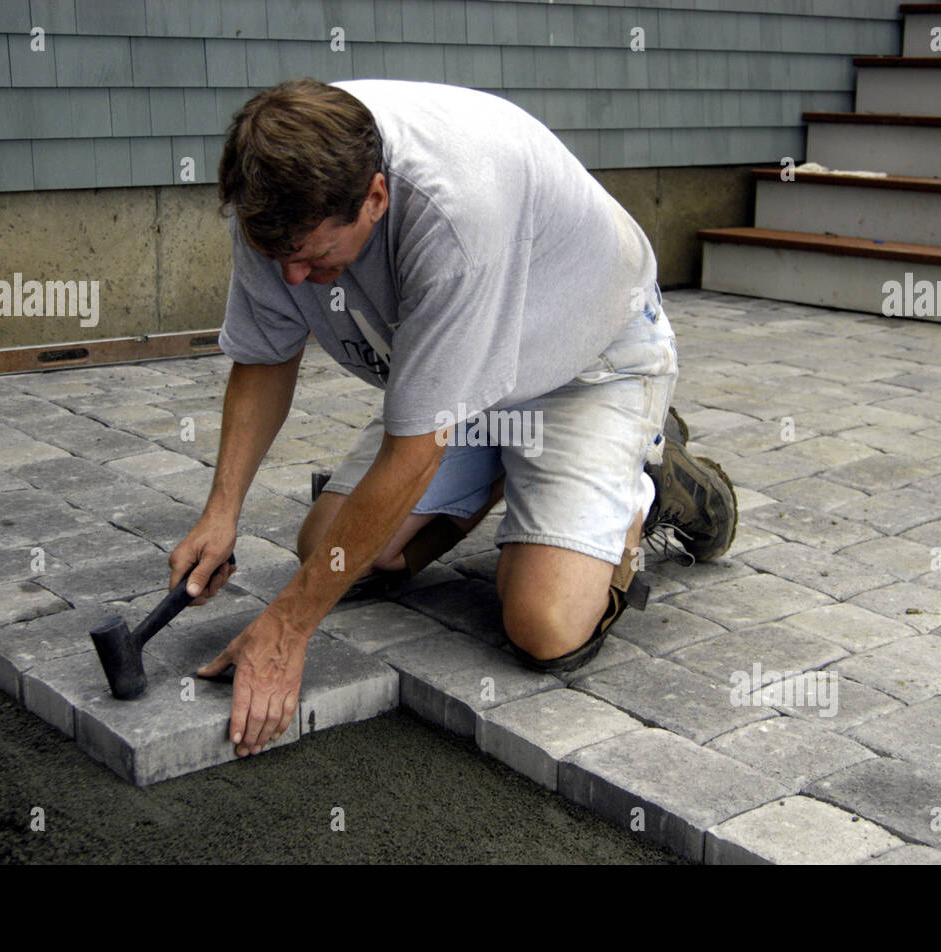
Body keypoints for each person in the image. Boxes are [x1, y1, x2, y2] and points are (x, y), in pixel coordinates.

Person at [168, 78, 737, 758]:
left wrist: (288, 628)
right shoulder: (275, 194)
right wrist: (221, 512)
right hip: (473, 372)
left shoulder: (457, 213)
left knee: (545, 625)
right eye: (281, 261)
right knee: (332, 548)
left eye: (316, 262)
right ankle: (504, 465)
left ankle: (657, 477)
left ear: (375, 197)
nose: (295, 280)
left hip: (589, 359)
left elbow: (412, 454)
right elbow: (264, 358)